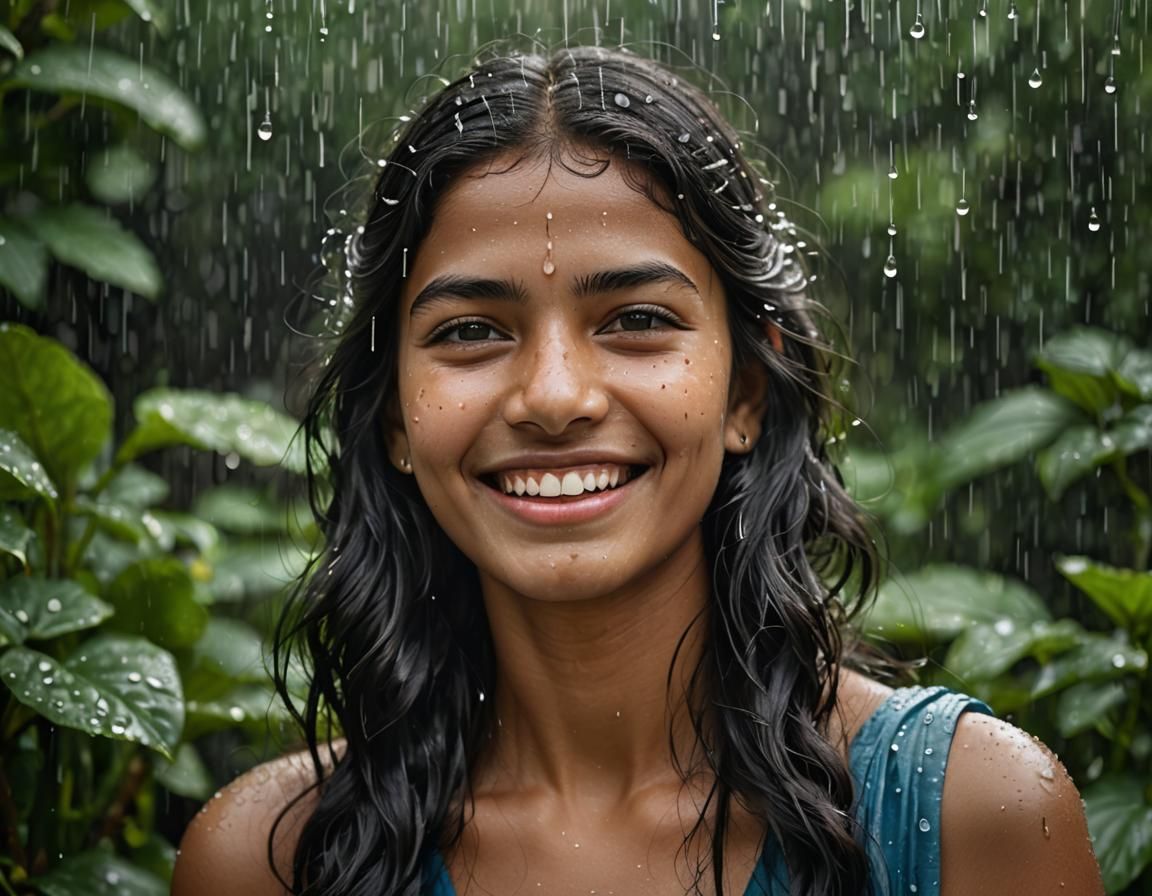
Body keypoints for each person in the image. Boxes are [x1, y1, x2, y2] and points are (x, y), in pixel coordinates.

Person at [172, 46, 1103, 896]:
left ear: (746, 389)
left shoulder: (969, 816)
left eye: (635, 320)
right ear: (394, 419)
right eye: (470, 332)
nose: (554, 395)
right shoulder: (267, 862)